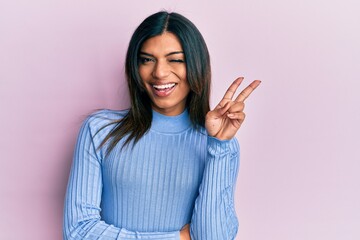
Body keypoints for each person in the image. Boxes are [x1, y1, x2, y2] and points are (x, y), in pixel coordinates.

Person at [63, 11, 260, 240]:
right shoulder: (100, 130)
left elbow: (212, 237)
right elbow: (78, 232)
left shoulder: (220, 146)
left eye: (175, 59)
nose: (159, 72)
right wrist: (178, 238)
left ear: (197, 65)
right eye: (147, 59)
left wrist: (218, 145)